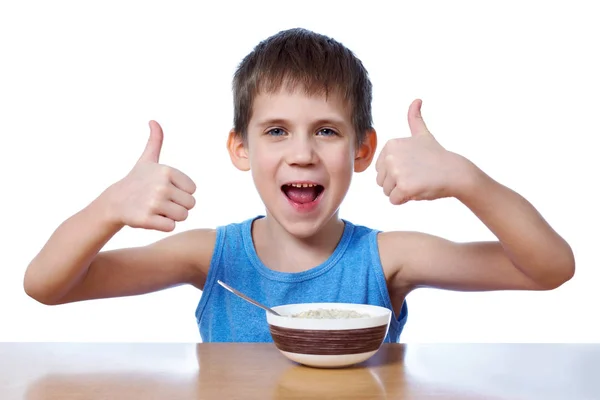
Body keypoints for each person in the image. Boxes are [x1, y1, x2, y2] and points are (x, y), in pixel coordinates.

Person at [24, 28, 575, 343]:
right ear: (242, 148)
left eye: (327, 131)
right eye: (277, 131)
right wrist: (108, 209)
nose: (303, 153)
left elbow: (549, 268)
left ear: (362, 150)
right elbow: (47, 285)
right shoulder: (211, 255)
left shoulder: (386, 259)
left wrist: (465, 179)